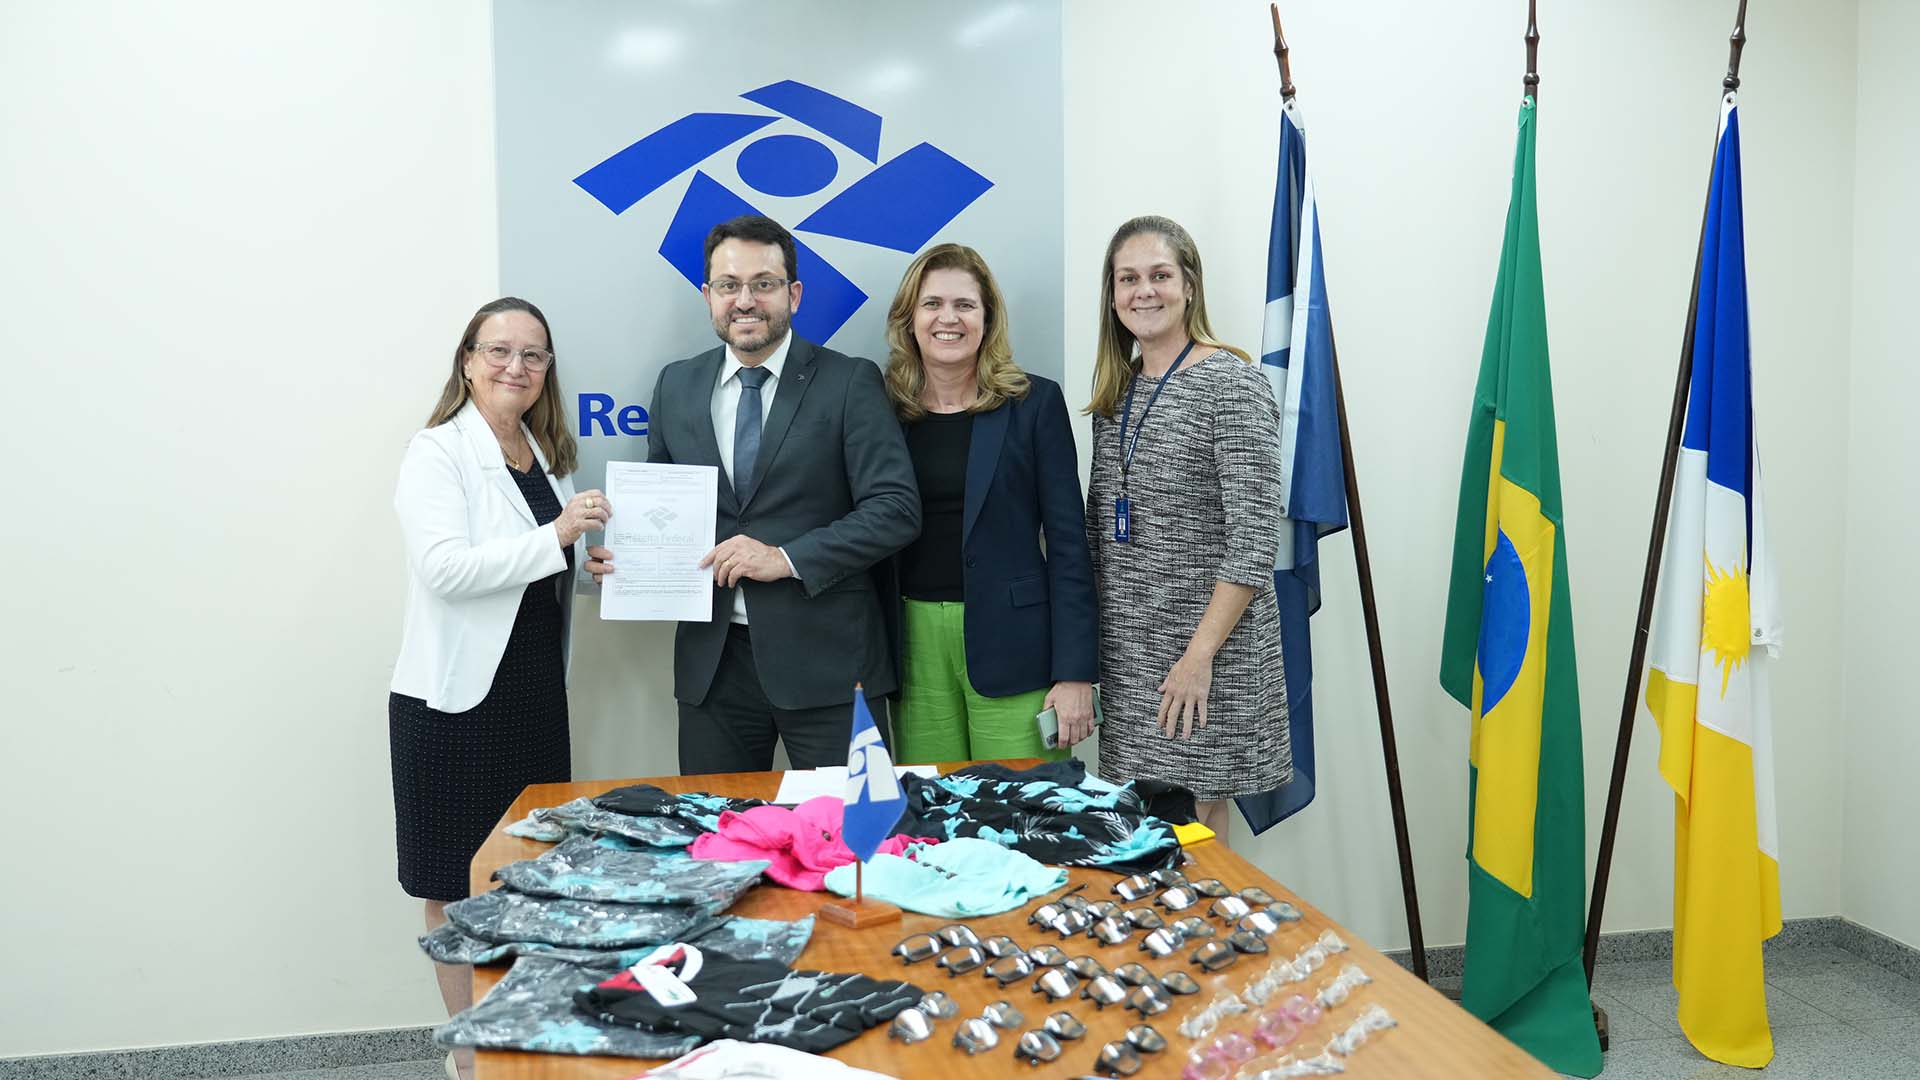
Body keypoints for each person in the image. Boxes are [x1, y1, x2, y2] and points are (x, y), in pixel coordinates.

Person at [588, 216, 919, 774]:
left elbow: (895, 510)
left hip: (829, 667)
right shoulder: (676, 385)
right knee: (718, 847)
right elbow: (661, 506)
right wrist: (627, 559)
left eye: (763, 284)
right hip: (713, 670)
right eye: (728, 285)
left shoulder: (848, 382)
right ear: (707, 295)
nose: (745, 300)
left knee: (848, 849)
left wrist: (786, 558)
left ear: (793, 294)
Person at [388, 297, 604, 1073]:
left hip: (534, 697)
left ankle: (516, 1030)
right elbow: (446, 570)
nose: (517, 367)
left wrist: (591, 568)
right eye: (500, 351)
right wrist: (556, 538)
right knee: (452, 880)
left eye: (534, 356)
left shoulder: (542, 454)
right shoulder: (437, 451)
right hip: (454, 703)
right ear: (468, 360)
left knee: (527, 872)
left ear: (548, 372)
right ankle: (470, 1051)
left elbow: (537, 573)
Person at [1081, 216, 1289, 843]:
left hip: (1206, 646)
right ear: (1112, 295)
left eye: (1160, 275)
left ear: (1189, 287)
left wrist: (1198, 658)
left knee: (1194, 811)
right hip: (1130, 647)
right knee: (1142, 813)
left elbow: (1255, 538)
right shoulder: (1117, 394)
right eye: (1128, 279)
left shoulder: (1231, 382)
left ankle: (1212, 934)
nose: (1144, 291)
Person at [879, 243, 1096, 764]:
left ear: (987, 318)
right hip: (912, 650)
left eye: (964, 305)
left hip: (1015, 644)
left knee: (1028, 817)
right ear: (910, 319)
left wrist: (1075, 672)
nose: (947, 319)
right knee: (932, 815)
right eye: (931, 304)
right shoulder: (881, 408)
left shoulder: (1035, 403)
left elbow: (1069, 543)